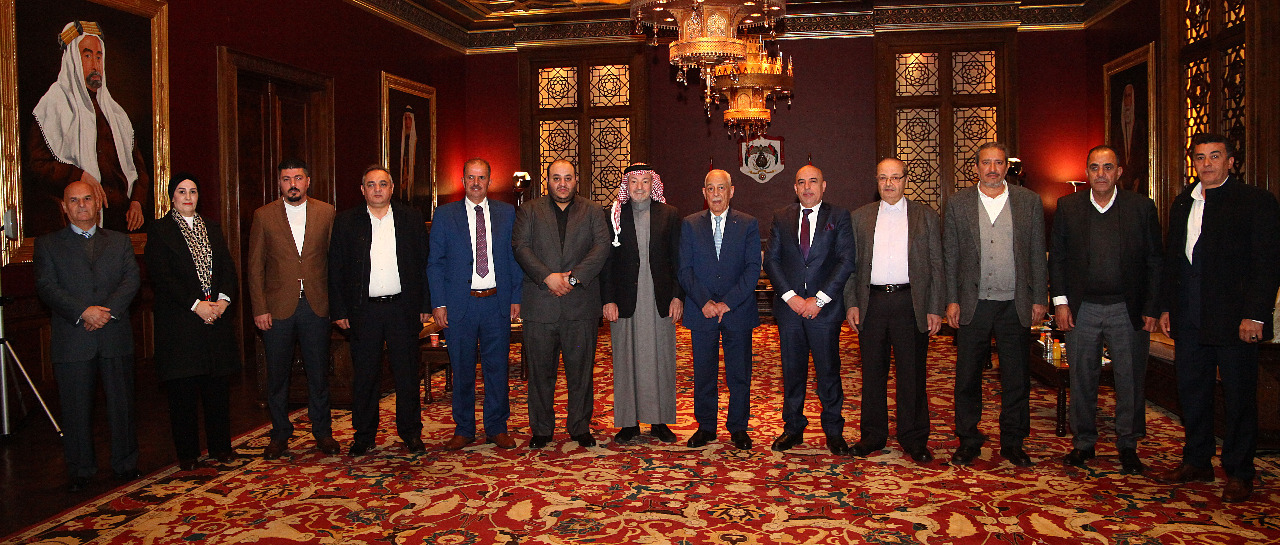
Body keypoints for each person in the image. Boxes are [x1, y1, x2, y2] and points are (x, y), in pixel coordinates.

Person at [1153, 133, 1280, 503]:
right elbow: (1174, 260)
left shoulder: (1255, 201)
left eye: (1214, 156)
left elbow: (1267, 263)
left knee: (1239, 397)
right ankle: (1197, 461)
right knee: (1192, 392)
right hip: (1189, 316)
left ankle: (1240, 472)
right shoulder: (1183, 202)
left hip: (1236, 320)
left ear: (1230, 162)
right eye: (1200, 157)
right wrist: (1167, 307)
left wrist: (1256, 315)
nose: (1206, 164)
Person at [1050, 146, 1161, 475]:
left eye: (1108, 167)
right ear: (1087, 171)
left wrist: (1152, 307)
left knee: (1130, 380)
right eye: (1095, 167)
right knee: (1082, 377)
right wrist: (1061, 303)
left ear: (1118, 172)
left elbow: (1155, 261)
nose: (1101, 174)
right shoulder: (1068, 207)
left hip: (1127, 309)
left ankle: (1128, 444)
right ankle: (1084, 442)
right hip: (1082, 309)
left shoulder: (1141, 208)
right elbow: (1057, 258)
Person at [944, 142, 1048, 468]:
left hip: (1014, 303)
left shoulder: (1028, 201)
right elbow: (950, 256)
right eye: (986, 163)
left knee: (1016, 377)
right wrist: (951, 299)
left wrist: (1039, 298)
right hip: (973, 303)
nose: (992, 169)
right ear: (975, 167)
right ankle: (968, 439)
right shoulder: (958, 203)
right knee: (967, 377)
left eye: (998, 163)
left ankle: (1013, 442)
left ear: (1007, 167)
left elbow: (1037, 253)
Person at [34, 180, 140, 492]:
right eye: (74, 200)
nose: (82, 205)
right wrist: (84, 312)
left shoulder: (119, 241)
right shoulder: (48, 245)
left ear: (97, 203)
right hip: (73, 339)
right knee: (75, 408)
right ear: (64, 207)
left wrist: (106, 312)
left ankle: (126, 464)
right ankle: (80, 469)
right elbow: (46, 286)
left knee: (122, 405)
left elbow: (131, 280)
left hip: (114, 335)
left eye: (87, 199)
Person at [843, 158, 944, 464]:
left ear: (905, 181)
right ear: (876, 181)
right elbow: (850, 267)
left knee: (912, 374)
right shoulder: (860, 217)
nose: (889, 184)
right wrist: (852, 303)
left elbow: (937, 265)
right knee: (872, 373)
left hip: (910, 302)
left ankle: (913, 438)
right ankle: (872, 436)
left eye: (895, 178)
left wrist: (935, 307)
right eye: (883, 178)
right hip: (872, 303)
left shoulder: (925, 216)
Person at [328, 166, 430, 456]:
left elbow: (423, 264)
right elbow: (335, 268)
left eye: (382, 184)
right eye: (371, 184)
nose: (377, 189)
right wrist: (339, 309)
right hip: (364, 311)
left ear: (392, 188)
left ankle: (411, 433)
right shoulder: (346, 221)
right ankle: (364, 435)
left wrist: (425, 304)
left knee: (407, 375)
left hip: (402, 309)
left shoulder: (410, 218)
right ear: (362, 190)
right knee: (365, 377)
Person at [513, 159, 611, 449]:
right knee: (540, 374)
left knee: (581, 372)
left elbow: (601, 247)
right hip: (540, 306)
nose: (562, 183)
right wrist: (547, 277)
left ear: (576, 180)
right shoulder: (529, 210)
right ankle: (542, 429)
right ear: (548, 181)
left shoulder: (593, 211)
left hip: (580, 307)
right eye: (556, 178)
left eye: (568, 178)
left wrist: (574, 279)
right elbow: (521, 247)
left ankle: (579, 427)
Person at [144, 174, 240, 471]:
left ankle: (221, 448)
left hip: (215, 322)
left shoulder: (211, 227)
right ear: (172, 197)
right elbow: (162, 276)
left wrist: (223, 301)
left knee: (217, 390)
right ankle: (188, 454)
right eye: (182, 191)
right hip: (181, 325)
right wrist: (197, 305)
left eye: (193, 191)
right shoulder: (160, 230)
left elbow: (226, 268)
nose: (188, 197)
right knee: (183, 393)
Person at [247, 159, 338, 459]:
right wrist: (259, 307)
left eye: (298, 178)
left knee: (318, 375)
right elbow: (255, 267)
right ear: (279, 183)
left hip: (316, 306)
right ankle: (279, 434)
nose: (293, 184)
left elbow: (334, 262)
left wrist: (337, 306)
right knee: (277, 377)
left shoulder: (326, 212)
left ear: (308, 181)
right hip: (277, 309)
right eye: (286, 179)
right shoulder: (263, 216)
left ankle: (323, 432)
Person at [428, 158, 522, 451]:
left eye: (482, 177)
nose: (476, 183)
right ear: (463, 181)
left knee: (497, 369)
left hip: (496, 302)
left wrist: (516, 297)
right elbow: (435, 263)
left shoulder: (507, 213)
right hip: (460, 305)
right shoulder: (445, 215)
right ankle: (464, 429)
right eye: (471, 177)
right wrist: (438, 303)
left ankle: (497, 427)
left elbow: (515, 257)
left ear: (490, 181)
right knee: (462, 369)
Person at [763, 164, 856, 455]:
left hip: (824, 311)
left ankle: (834, 431)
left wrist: (819, 299)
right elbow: (771, 260)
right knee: (792, 372)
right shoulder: (781, 216)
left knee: (828, 372)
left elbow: (846, 261)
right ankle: (793, 428)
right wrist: (790, 297)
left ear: (823, 186)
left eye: (813, 181)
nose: (807, 187)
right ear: (795, 188)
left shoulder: (839, 216)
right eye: (801, 182)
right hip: (789, 310)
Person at [27, 21, 150, 236]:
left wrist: (137, 201)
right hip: (79, 223)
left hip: (121, 224)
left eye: (99, 57)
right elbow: (38, 165)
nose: (95, 65)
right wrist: (79, 175)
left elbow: (139, 169)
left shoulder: (116, 113)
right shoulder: (52, 105)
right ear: (73, 60)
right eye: (87, 56)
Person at [601, 164, 683, 444]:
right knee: (626, 361)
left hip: (660, 300)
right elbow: (607, 262)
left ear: (653, 184)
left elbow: (678, 259)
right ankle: (628, 423)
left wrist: (677, 296)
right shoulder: (613, 214)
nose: (639, 187)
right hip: (625, 300)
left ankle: (659, 421)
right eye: (634, 182)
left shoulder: (669, 214)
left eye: (645, 181)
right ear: (627, 185)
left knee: (661, 360)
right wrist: (608, 299)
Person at [680, 169, 761, 450]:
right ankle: (706, 426)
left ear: (731, 191)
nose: (716, 194)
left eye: (721, 188)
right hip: (701, 310)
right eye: (711, 189)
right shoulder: (690, 224)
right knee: (704, 373)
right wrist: (704, 301)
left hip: (737, 311)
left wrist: (728, 302)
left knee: (739, 374)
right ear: (704, 193)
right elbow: (685, 269)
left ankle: (738, 427)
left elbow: (753, 268)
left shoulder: (748, 224)